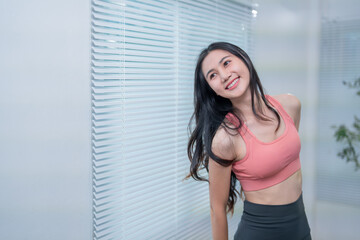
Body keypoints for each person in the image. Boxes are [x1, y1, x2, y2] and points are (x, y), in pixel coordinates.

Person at [186, 42, 311, 240]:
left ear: (243, 59)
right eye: (213, 75)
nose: (224, 75)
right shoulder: (225, 139)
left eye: (226, 63)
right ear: (213, 90)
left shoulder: (290, 105)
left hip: (301, 229)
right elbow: (216, 209)